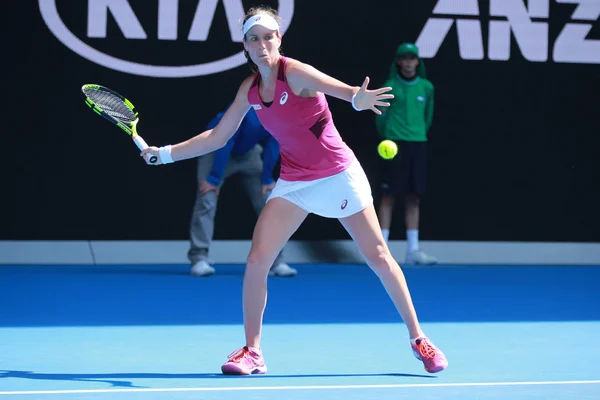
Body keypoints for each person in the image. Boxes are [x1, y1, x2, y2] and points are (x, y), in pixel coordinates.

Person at [141, 7, 448, 375]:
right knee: (257, 260)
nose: (262, 44)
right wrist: (164, 154)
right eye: (254, 39)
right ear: (246, 46)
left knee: (378, 256)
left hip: (338, 175)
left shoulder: (295, 72)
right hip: (296, 181)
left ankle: (419, 339)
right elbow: (218, 137)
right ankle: (253, 352)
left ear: (279, 38)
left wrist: (357, 97)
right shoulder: (250, 90)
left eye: (268, 36)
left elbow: (340, 89)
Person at [187, 105, 298, 277]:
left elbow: (273, 143)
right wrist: (214, 179)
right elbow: (225, 141)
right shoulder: (246, 107)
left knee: (269, 199)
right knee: (207, 196)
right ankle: (199, 257)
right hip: (215, 149)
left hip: (247, 153)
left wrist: (267, 178)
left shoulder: (281, 113)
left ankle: (276, 260)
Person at [375, 43, 438, 265]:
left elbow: (427, 118)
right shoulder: (389, 86)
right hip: (394, 145)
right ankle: (381, 250)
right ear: (399, 62)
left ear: (417, 62)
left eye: (413, 58)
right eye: (405, 58)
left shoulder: (427, 88)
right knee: (388, 196)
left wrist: (416, 133)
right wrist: (391, 135)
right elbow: (380, 118)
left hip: (418, 144)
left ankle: (413, 250)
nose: (409, 62)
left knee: (414, 197)